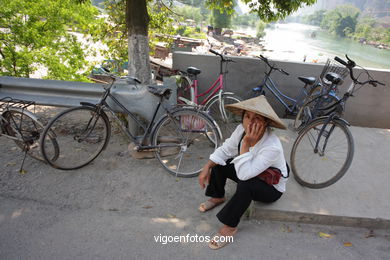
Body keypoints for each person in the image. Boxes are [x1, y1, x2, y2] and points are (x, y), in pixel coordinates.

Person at [198, 95, 289, 250]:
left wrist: (246, 142)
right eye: (247, 116)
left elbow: (244, 176)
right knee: (221, 163)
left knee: (246, 185)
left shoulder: (272, 146)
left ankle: (230, 227)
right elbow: (226, 149)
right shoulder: (240, 129)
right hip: (250, 170)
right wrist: (207, 166)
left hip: (271, 188)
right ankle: (217, 196)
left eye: (257, 118)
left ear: (266, 123)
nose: (251, 122)